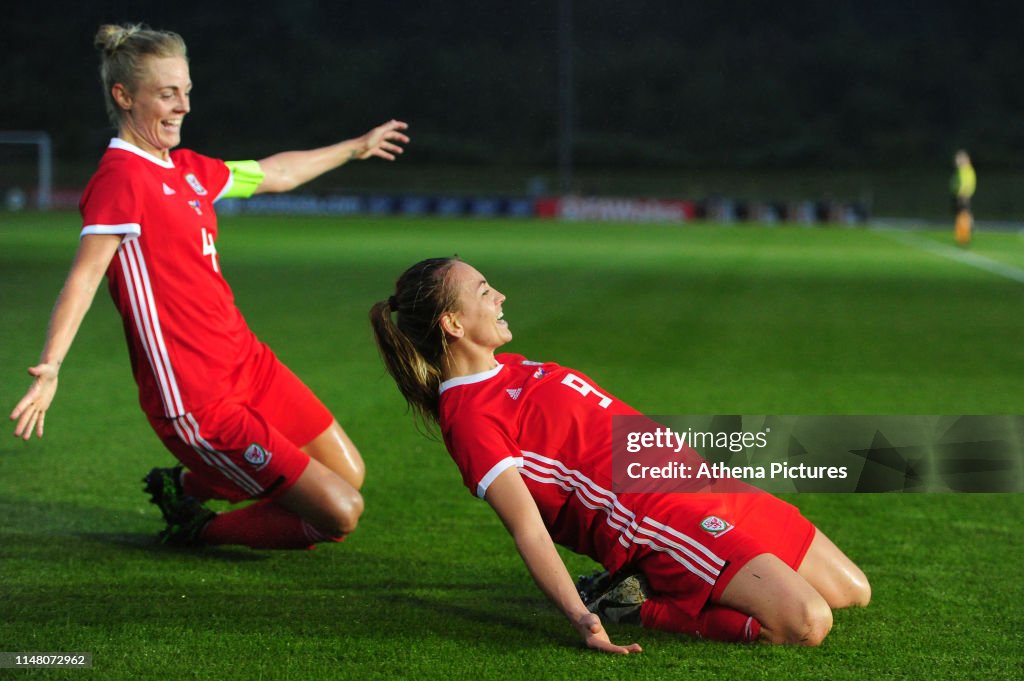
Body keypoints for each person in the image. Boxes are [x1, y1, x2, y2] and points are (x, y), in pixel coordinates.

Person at [9, 23, 410, 551]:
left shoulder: (190, 170)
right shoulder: (120, 179)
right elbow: (84, 278)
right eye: (167, 94)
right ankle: (197, 527)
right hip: (196, 398)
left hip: (248, 363)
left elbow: (275, 174)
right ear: (124, 96)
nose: (183, 107)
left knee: (348, 474)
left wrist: (353, 148)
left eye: (187, 92)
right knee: (339, 514)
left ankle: (185, 487)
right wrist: (51, 366)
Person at [369, 257, 871, 654]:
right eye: (483, 292)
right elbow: (527, 528)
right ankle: (626, 605)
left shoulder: (513, 367)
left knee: (852, 591)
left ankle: (641, 590)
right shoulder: (470, 418)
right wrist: (580, 618)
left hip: (698, 479)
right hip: (658, 517)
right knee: (805, 622)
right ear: (452, 323)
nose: (500, 296)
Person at [950, 149, 976, 246]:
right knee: (961, 216)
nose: (957, 161)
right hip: (959, 196)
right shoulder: (961, 170)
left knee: (963, 216)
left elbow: (967, 184)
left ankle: (964, 236)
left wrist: (963, 192)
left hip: (963, 196)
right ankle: (961, 235)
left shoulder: (967, 170)